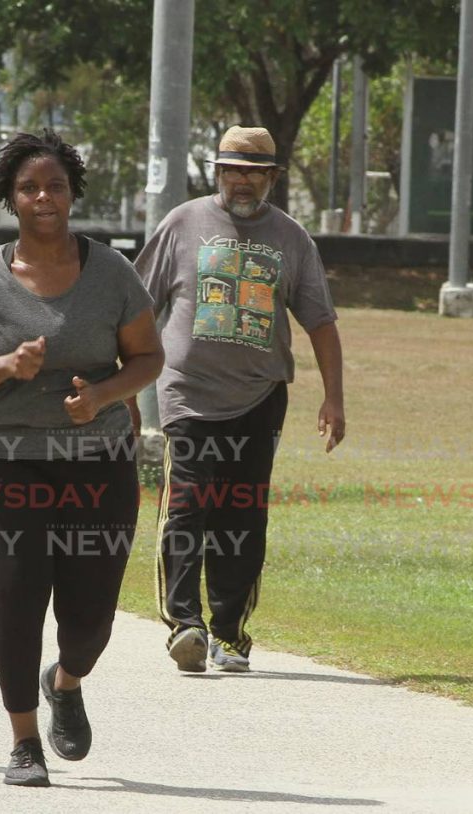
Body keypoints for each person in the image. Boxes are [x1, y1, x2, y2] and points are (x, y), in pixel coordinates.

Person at [0, 130, 164, 787]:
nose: (43, 197)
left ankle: (66, 680)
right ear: (10, 196)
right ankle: (24, 742)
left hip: (99, 461)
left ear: (72, 193)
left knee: (90, 617)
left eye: (55, 185)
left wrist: (105, 395)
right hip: (4, 462)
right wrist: (6, 364)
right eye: (29, 187)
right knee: (18, 597)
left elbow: (149, 357)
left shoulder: (112, 273)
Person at [134, 125, 345, 674]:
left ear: (271, 178)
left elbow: (320, 321)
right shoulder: (183, 223)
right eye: (232, 170)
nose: (241, 181)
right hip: (186, 392)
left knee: (243, 518)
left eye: (253, 172)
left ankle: (229, 633)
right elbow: (137, 305)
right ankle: (186, 626)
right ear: (218, 173)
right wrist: (121, 384)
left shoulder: (292, 238)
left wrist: (333, 399)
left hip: (260, 397)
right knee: (186, 506)